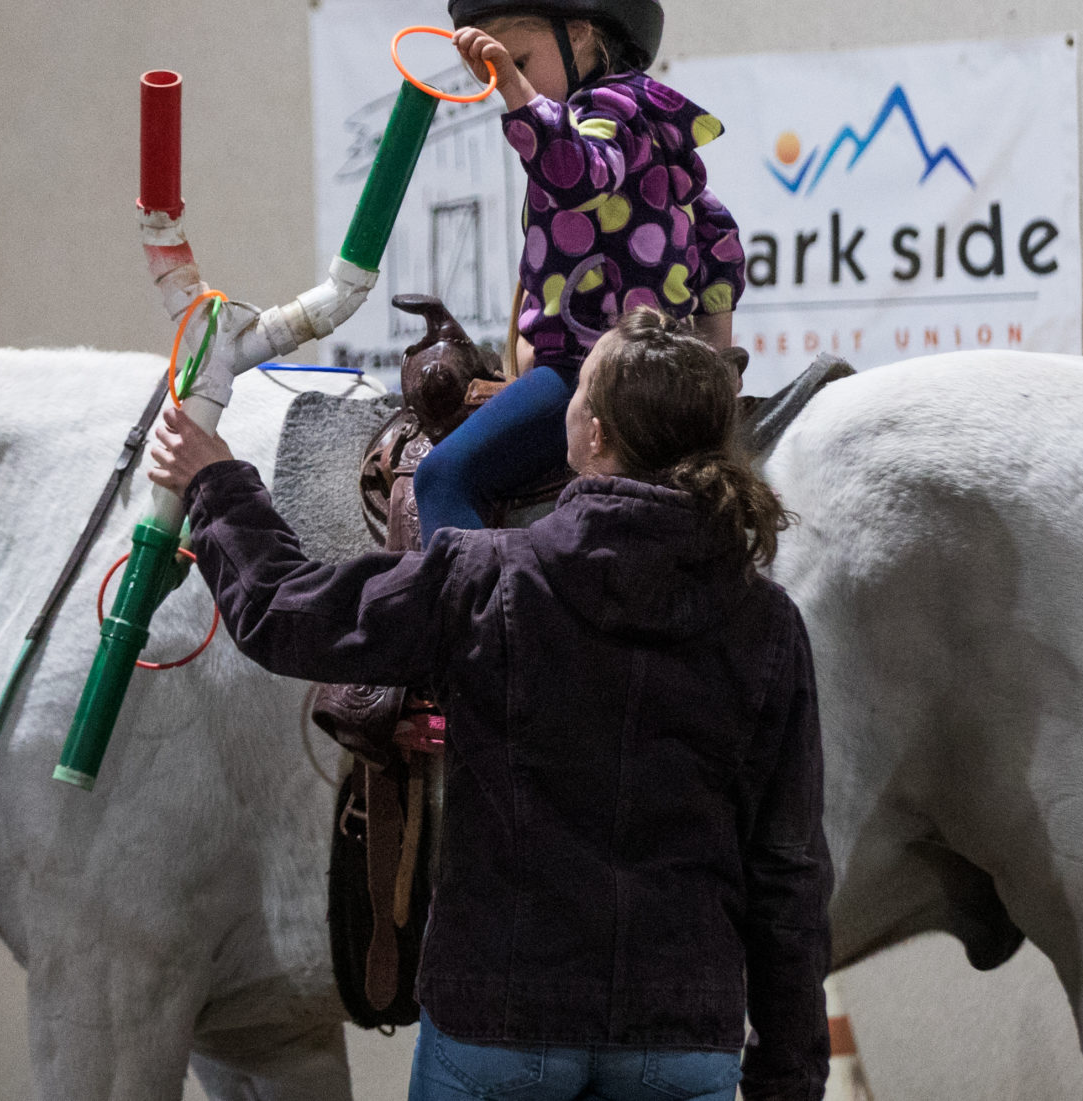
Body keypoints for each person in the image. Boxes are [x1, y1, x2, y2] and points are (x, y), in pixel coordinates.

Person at [150, 309, 831, 1101]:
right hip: (682, 1041)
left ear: (595, 438)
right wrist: (789, 1076)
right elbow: (788, 872)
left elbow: (283, 609)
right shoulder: (770, 625)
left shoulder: (484, 577)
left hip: (497, 1027)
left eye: (578, 394)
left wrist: (219, 481)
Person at [417, 0, 750, 542]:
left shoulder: (603, 110)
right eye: (492, 75)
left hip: (585, 369)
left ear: (584, 34)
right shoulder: (652, 121)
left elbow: (581, 175)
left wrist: (520, 97)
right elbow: (717, 242)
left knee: (443, 477)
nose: (502, 85)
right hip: (656, 367)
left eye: (517, 59)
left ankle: (476, 622)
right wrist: (716, 362)